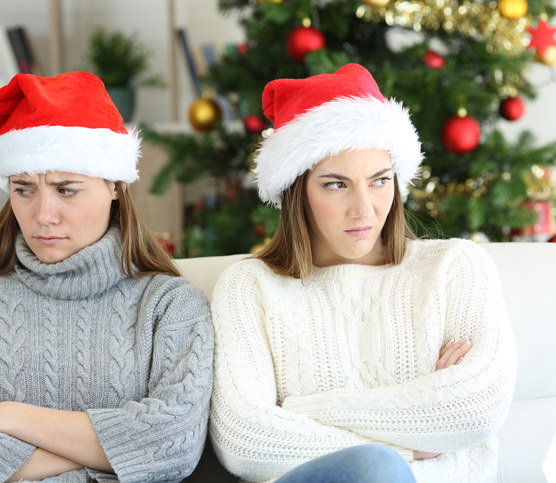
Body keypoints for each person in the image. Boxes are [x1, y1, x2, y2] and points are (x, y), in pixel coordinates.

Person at [208, 64, 517, 483]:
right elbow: (244, 442)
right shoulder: (250, 287)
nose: (364, 208)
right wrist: (417, 437)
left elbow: (475, 409)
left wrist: (299, 411)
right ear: (296, 190)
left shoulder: (455, 267)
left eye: (379, 181)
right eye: (336, 185)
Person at [0, 71, 214, 482]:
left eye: (66, 189)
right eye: (23, 189)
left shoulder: (170, 305)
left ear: (115, 186)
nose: (43, 216)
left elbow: (172, 447)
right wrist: (113, 451)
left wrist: (10, 418)